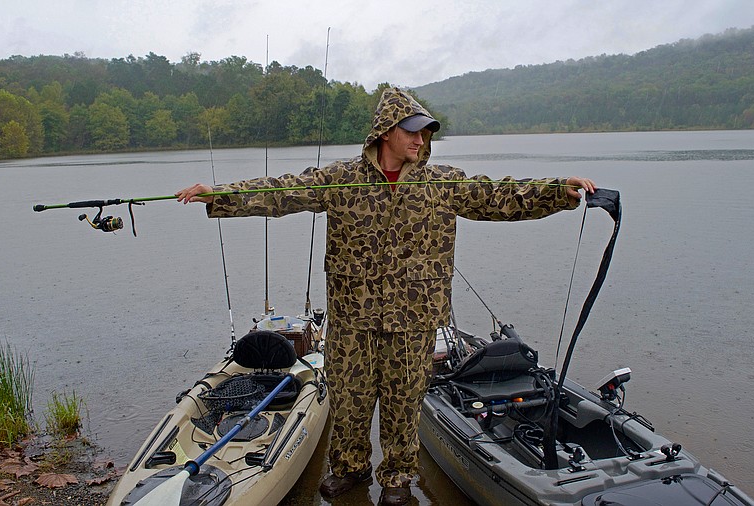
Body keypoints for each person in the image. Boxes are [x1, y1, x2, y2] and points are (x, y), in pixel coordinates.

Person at [176, 87, 595, 506]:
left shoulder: (441, 183)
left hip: (413, 323)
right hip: (352, 320)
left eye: (426, 134)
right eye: (412, 132)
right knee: (350, 402)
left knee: (403, 405)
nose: (421, 141)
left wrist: (557, 191)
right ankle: (350, 471)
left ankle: (397, 480)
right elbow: (282, 192)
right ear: (385, 132)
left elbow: (499, 196)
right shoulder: (343, 178)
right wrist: (221, 196)